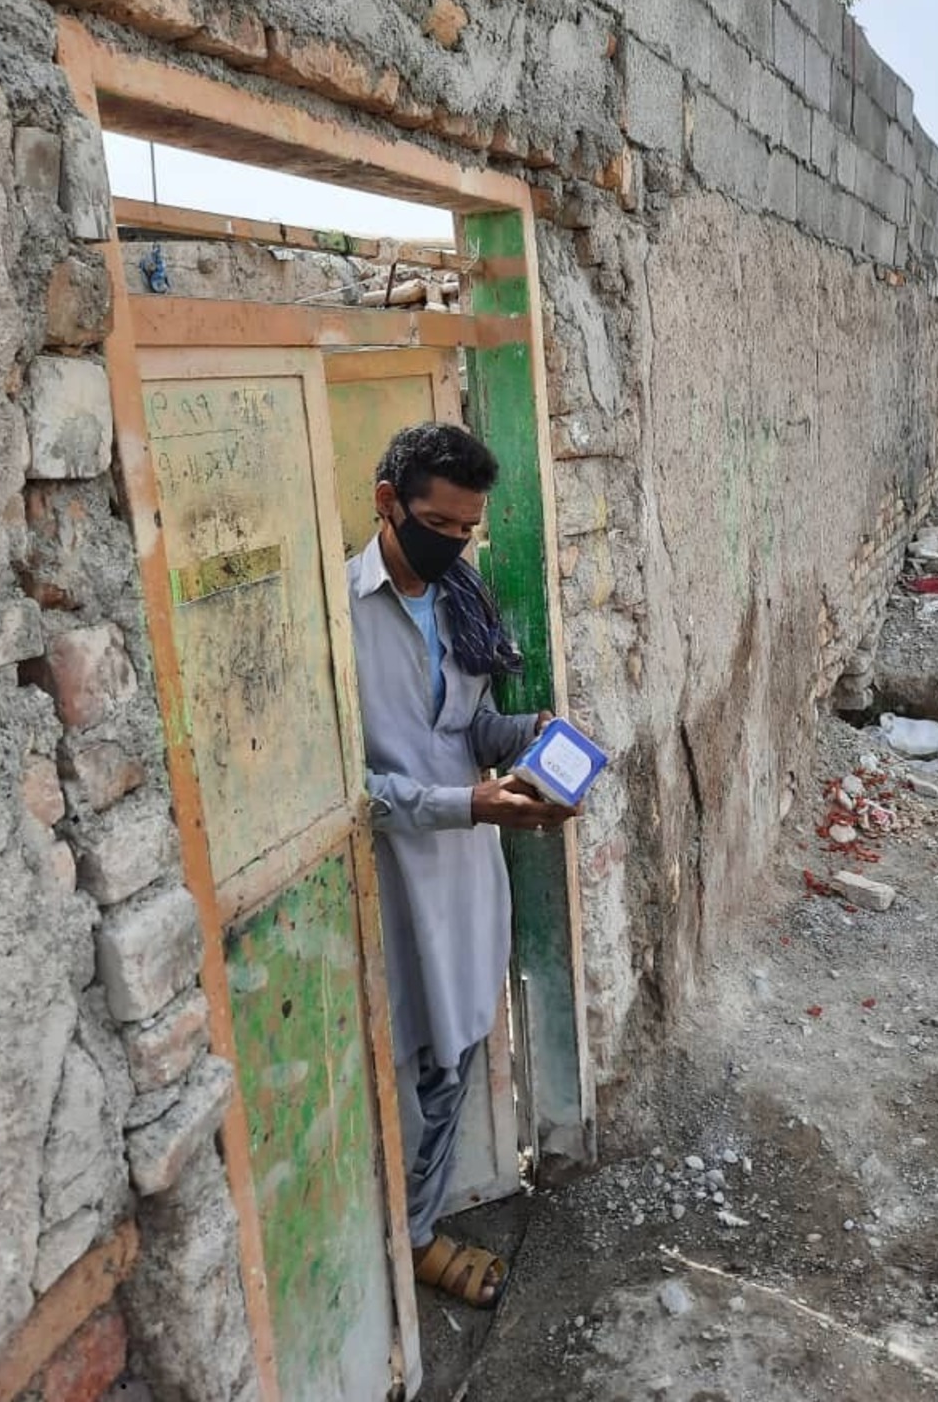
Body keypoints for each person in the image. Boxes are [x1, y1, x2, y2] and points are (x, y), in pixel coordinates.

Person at [347, 422, 579, 1309]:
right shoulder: (339, 611)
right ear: (388, 504)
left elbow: (467, 734)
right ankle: (404, 1242)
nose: (455, 545)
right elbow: (347, 784)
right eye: (440, 526)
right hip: (395, 881)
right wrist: (465, 802)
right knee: (411, 1064)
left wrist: (535, 738)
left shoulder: (461, 602)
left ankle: (416, 1228)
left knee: (457, 1052)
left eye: (468, 530)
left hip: (467, 867)